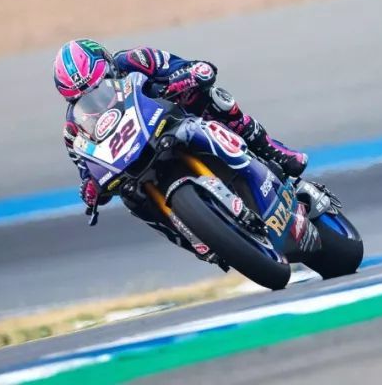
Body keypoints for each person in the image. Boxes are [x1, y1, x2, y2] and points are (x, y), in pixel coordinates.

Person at [54, 39, 308, 258]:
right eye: (83, 96)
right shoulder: (73, 129)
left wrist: (186, 77)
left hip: (174, 119)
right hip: (132, 161)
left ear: (109, 66)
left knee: (216, 100)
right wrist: (90, 188)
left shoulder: (136, 59)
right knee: (131, 199)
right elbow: (87, 169)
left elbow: (199, 68)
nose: (95, 97)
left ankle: (271, 149)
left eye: (100, 85)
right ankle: (194, 241)